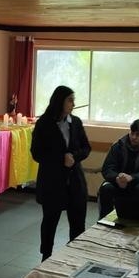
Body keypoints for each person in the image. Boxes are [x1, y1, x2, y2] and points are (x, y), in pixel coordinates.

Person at [30, 85, 91, 261]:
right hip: (52, 181)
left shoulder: (76, 122)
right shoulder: (44, 123)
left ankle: (74, 256)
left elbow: (86, 147)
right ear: (60, 101)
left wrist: (74, 156)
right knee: (50, 221)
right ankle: (46, 255)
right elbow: (37, 153)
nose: (73, 103)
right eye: (70, 99)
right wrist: (60, 158)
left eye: (74, 99)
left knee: (78, 221)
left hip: (75, 181)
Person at [97, 119, 139, 219]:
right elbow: (107, 169)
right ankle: (104, 220)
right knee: (106, 188)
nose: (134, 137)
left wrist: (132, 177)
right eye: (132, 133)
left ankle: (134, 220)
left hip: (137, 183)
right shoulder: (118, 146)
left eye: (138, 135)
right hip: (118, 182)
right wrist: (117, 177)